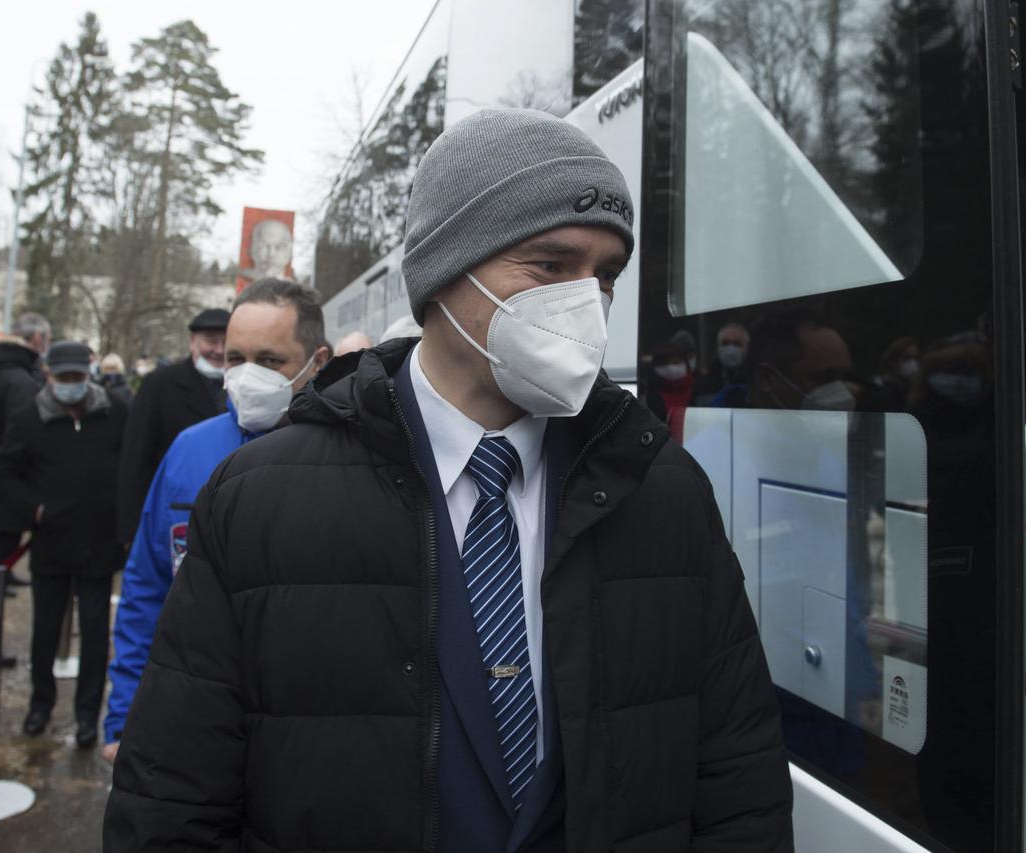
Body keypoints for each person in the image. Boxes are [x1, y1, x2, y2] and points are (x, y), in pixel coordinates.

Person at [105, 108, 792, 853]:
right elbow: (169, 804)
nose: (586, 303)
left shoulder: (666, 491)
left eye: (607, 275)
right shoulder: (260, 499)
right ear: (444, 268)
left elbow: (739, 784)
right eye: (551, 266)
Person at [102, 279, 329, 765]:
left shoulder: (350, 457)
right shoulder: (188, 450)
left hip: (305, 732)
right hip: (193, 718)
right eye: (235, 359)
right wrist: (124, 714)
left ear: (319, 362)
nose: (248, 376)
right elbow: (146, 585)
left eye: (269, 361)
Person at [0, 341, 126, 748]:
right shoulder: (29, 416)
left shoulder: (115, 411)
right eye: (64, 377)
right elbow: (5, 470)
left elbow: (132, 460)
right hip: (51, 544)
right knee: (45, 631)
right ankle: (41, 703)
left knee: (94, 635)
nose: (72, 384)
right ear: (49, 376)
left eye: (78, 377)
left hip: (99, 545)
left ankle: (88, 715)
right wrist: (34, 511)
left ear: (89, 374)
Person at [115, 308, 229, 543]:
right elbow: (136, 459)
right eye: (211, 340)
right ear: (192, 342)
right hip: (173, 516)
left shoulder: (244, 386)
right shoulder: (159, 385)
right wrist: (132, 531)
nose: (219, 350)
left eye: (226, 342)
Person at [0, 313, 51, 572]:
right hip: (6, 475)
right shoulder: (21, 381)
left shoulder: (7, 373)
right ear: (37, 338)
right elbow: (21, 432)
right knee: (3, 540)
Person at [693, 321, 749, 403]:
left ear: (746, 348)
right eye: (725, 343)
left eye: (737, 344)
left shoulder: (756, 385)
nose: (731, 349)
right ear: (718, 347)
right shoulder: (702, 384)